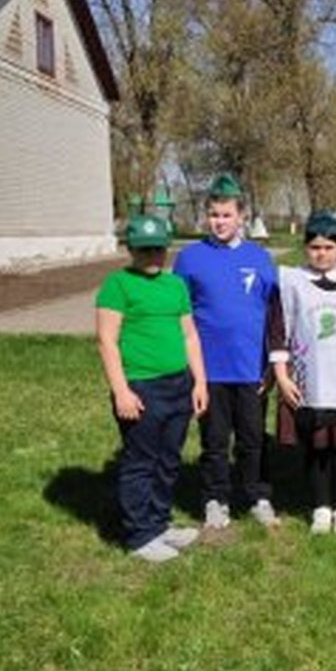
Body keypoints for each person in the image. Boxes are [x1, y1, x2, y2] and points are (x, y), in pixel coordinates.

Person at [95, 213, 208, 563]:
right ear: (131, 250)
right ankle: (139, 534)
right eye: (145, 250)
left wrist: (200, 381)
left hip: (179, 384)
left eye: (158, 249)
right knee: (141, 461)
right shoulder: (117, 285)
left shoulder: (175, 286)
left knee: (169, 459)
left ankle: (159, 522)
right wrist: (122, 391)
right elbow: (107, 341)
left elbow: (189, 336)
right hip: (141, 386)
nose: (153, 256)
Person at [173, 173, 280, 530]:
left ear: (241, 217)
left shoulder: (259, 258)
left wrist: (272, 366)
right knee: (215, 441)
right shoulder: (189, 259)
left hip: (250, 368)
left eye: (226, 215)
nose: (219, 222)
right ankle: (215, 499)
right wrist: (194, 373)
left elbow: (274, 315)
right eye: (214, 215)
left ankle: (257, 495)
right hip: (210, 370)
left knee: (253, 440)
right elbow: (180, 315)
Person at [271, 210, 336, 536]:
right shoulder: (291, 282)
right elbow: (279, 330)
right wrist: (282, 376)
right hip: (309, 380)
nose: (322, 254)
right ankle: (320, 506)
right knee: (315, 444)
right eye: (315, 247)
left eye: (329, 248)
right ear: (306, 247)